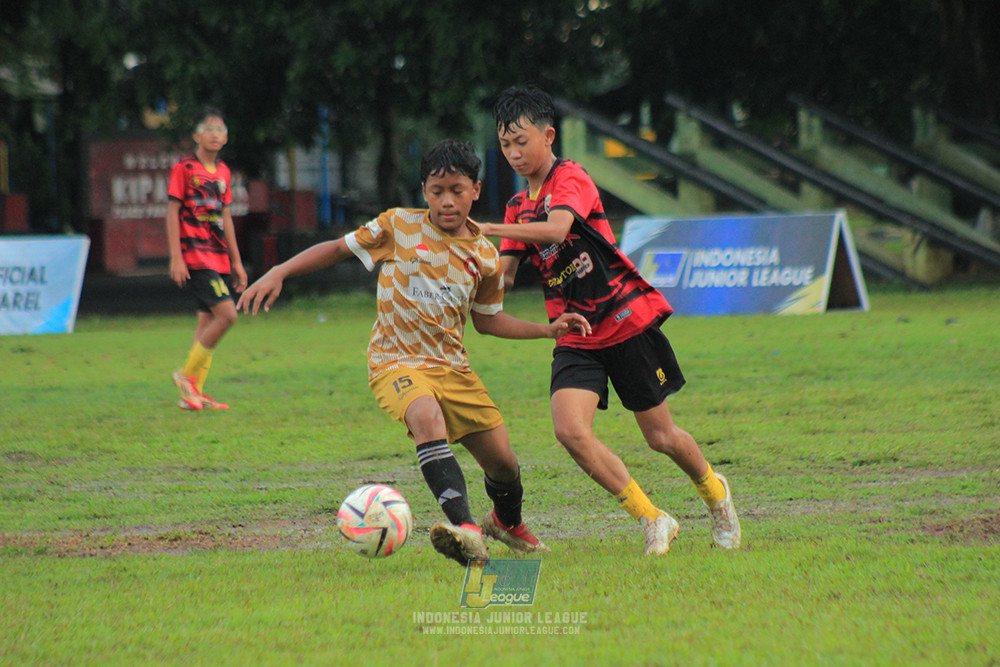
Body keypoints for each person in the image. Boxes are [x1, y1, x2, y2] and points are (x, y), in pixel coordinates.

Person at [237, 139, 590, 566]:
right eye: (437, 191)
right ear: (424, 190)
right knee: (426, 417)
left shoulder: (484, 256)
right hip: (395, 362)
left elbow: (488, 320)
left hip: (453, 369)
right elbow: (336, 249)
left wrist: (546, 330)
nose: (446, 201)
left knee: (503, 465)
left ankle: (506, 523)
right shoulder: (397, 226)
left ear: (476, 191)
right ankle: (468, 532)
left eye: (457, 191)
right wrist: (280, 271)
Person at [476, 85, 741, 555]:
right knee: (570, 431)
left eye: (521, 141)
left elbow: (558, 229)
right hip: (574, 333)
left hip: (623, 320)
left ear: (548, 136)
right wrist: (465, 274)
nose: (514, 153)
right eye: (504, 145)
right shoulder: (517, 208)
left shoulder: (571, 178)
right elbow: (505, 277)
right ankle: (652, 518)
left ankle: (715, 494)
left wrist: (488, 228)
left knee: (660, 437)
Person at [166, 107, 247, 411]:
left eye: (220, 129)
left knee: (206, 321)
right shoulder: (184, 169)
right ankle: (185, 377)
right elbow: (172, 212)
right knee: (227, 316)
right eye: (208, 128)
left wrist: (237, 262)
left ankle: (193, 393)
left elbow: (225, 218)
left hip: (218, 258)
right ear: (196, 135)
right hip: (196, 257)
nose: (215, 133)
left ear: (225, 138)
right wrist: (176, 257)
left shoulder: (224, 173)